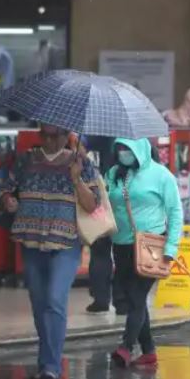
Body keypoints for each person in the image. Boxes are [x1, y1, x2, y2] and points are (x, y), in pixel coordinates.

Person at [0, 124, 99, 379]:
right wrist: (8, 200)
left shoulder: (81, 162)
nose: (48, 140)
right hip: (30, 239)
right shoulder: (26, 160)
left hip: (66, 243)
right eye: (43, 134)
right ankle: (47, 362)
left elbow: (92, 205)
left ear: (67, 136)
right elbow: (6, 189)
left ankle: (51, 366)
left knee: (55, 299)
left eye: (54, 135)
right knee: (39, 302)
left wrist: (76, 178)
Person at [105, 138, 183, 368]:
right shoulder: (113, 174)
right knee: (133, 299)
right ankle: (148, 351)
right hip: (120, 245)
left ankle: (126, 347)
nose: (123, 153)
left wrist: (171, 248)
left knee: (138, 297)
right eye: (119, 148)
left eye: (127, 148)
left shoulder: (161, 175)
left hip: (152, 245)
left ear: (140, 149)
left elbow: (176, 212)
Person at [81, 135, 127, 315]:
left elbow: (83, 144)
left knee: (100, 250)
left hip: (103, 196)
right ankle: (121, 300)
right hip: (124, 198)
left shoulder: (102, 132)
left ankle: (101, 299)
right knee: (123, 252)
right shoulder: (135, 137)